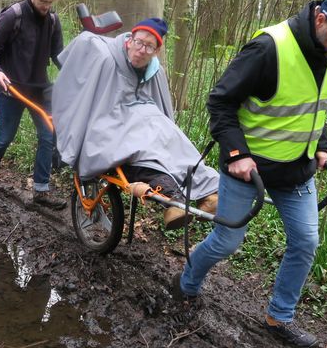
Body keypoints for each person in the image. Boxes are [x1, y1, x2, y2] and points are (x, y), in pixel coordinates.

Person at [173, 0, 327, 348]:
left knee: (306, 241)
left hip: (298, 170)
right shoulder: (269, 48)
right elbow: (221, 101)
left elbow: (315, 107)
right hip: (249, 169)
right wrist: (235, 152)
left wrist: (322, 145)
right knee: (227, 241)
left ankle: (279, 317)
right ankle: (186, 282)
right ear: (320, 20)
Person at [53, 17, 219, 229]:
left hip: (147, 121)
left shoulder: (154, 71)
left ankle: (209, 192)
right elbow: (82, 75)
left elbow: (162, 107)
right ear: (130, 40)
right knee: (141, 150)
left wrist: (166, 126)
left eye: (149, 46)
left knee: (174, 141)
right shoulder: (106, 58)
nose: (141, 50)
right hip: (109, 121)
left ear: (156, 51)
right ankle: (173, 197)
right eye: (139, 42)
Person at [0, 0, 65, 210]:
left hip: (39, 89)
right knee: (4, 137)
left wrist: (75, 73)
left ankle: (41, 191)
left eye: (50, 3)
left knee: (47, 136)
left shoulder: (53, 21)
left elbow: (57, 55)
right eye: (42, 2)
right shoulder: (13, 15)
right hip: (12, 88)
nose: (46, 7)